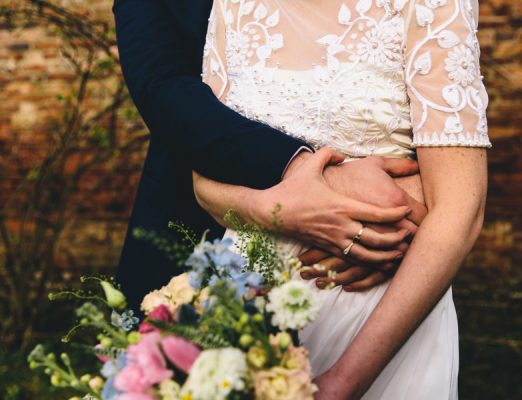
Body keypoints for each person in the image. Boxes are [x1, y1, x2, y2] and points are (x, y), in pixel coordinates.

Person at [192, 0, 490, 398]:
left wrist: (341, 383)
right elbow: (204, 182)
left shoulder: (432, 5)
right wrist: (279, 212)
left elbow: (461, 209)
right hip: (246, 305)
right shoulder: (232, 6)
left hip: (374, 311)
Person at [112, 0, 421, 318]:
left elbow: (445, 110)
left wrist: (415, 197)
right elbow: (162, 85)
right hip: (202, 221)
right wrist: (309, 173)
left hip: (385, 234)